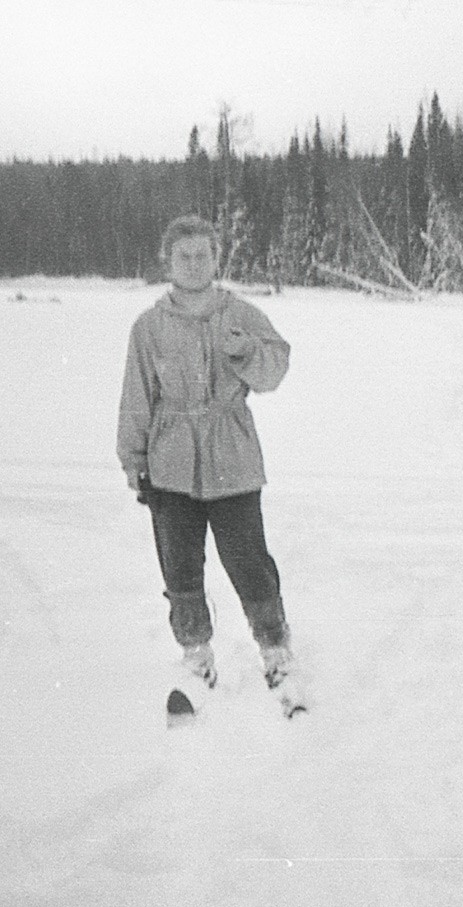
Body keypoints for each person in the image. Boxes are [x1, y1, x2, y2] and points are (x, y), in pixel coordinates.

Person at [118, 214, 296, 690]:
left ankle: (276, 649)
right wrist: (134, 461)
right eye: (184, 256)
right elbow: (136, 398)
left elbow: (275, 370)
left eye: (203, 255)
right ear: (168, 261)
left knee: (247, 560)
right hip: (170, 464)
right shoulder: (149, 326)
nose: (194, 265)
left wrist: (247, 354)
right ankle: (196, 654)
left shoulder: (239, 314)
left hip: (232, 459)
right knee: (179, 565)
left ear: (217, 259)